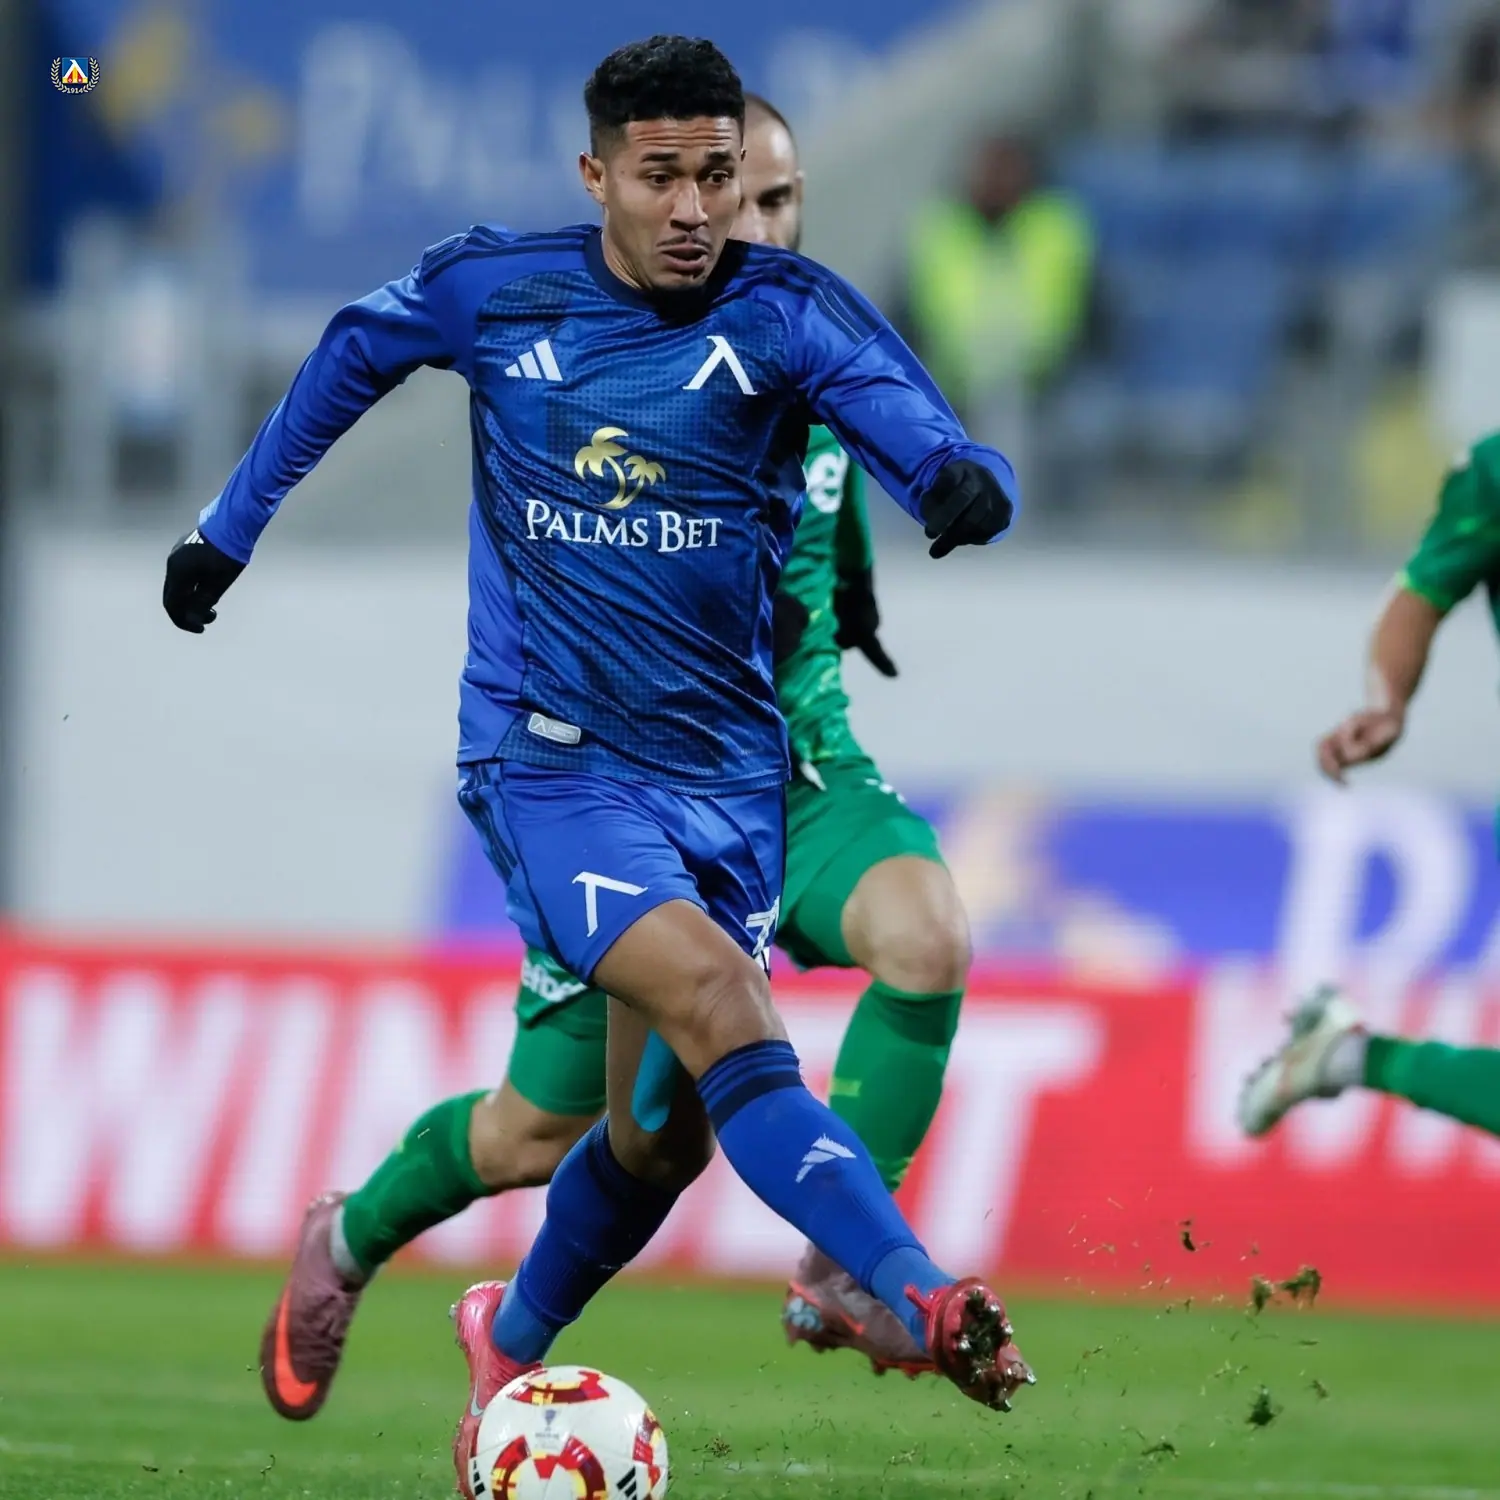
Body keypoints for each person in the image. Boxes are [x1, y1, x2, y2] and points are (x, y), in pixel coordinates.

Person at [160, 35, 1030, 1494]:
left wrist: (957, 483)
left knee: (652, 1138)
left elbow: (916, 434)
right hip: (554, 764)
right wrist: (224, 532)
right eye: (667, 177)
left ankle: (505, 1331)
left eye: (730, 183)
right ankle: (910, 1288)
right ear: (598, 176)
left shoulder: (791, 318)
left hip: (739, 789)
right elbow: (355, 351)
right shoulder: (503, 292)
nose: (705, 211)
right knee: (683, 1034)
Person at [1240, 433, 1500, 1139]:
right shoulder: (1494, 471)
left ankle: (1349, 1056)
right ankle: (1355, 1057)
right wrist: (1388, 704)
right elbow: (1421, 592)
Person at [904, 133, 1093, 444]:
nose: (997, 179)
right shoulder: (939, 229)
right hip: (953, 388)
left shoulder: (1056, 225)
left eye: (1007, 168)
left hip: (1048, 386)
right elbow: (908, 320)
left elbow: (1091, 315)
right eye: (989, 169)